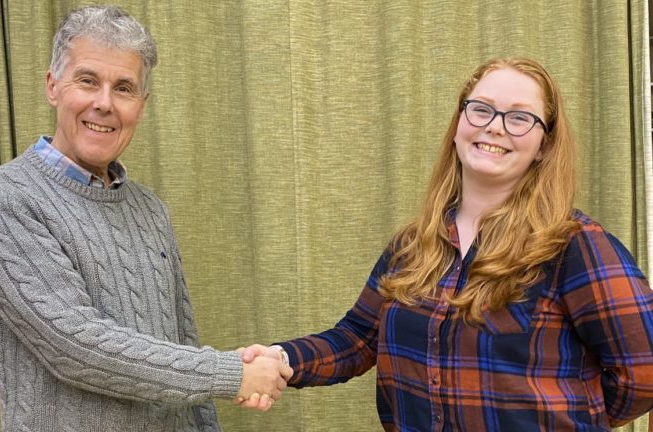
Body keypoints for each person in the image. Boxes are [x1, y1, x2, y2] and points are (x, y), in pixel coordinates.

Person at [240, 57, 653, 430]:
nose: (495, 125)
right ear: (459, 123)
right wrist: (281, 359)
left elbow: (643, 374)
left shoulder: (576, 247)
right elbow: (359, 338)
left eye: (520, 117)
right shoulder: (412, 245)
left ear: (543, 145)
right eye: (482, 109)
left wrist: (573, 417)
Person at [0, 5, 290, 431]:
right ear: (52, 86)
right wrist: (233, 373)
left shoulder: (150, 209)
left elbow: (183, 343)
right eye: (87, 81)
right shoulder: (1, 199)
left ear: (141, 103)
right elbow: (75, 346)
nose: (104, 104)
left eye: (123, 88)